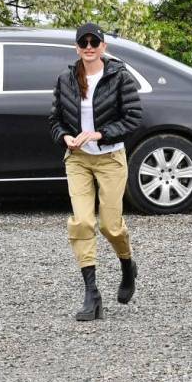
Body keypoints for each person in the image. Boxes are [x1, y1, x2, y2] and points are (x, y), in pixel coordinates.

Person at [49, 23, 143, 321]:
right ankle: (92, 294)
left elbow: (133, 117)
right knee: (82, 222)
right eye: (83, 42)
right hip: (77, 159)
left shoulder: (119, 77)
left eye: (94, 42)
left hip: (110, 157)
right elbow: (54, 120)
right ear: (77, 48)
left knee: (110, 226)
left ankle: (127, 264)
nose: (89, 47)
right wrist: (65, 136)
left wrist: (100, 134)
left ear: (103, 46)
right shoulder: (66, 78)